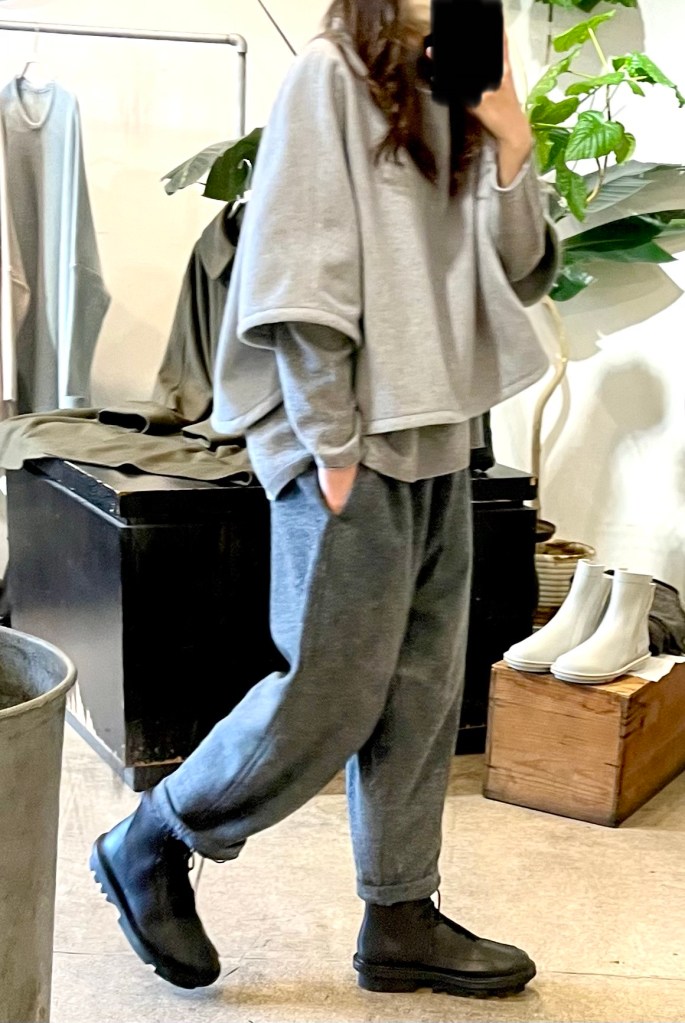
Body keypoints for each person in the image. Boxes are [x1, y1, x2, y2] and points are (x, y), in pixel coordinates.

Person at [91, 0, 558, 1000]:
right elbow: (299, 273)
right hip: (343, 438)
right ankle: (153, 836)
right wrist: (330, 444)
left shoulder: (451, 90)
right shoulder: (328, 77)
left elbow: (516, 272)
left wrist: (512, 143)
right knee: (330, 690)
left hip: (436, 436)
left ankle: (400, 915)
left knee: (422, 693)